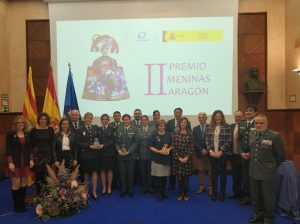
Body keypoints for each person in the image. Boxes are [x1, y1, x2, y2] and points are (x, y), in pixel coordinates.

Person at [248, 114, 285, 224]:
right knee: (255, 196)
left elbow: (280, 156)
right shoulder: (252, 134)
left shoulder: (274, 136)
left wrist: (271, 166)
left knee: (268, 197)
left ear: (266, 124)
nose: (258, 125)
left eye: (261, 123)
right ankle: (258, 214)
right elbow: (252, 150)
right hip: (253, 170)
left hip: (267, 172)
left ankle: (269, 217)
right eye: (256, 123)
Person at [6, 116, 34, 212]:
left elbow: (30, 149)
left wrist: (31, 160)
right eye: (18, 123)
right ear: (15, 124)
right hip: (15, 162)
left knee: (23, 183)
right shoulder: (10, 134)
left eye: (22, 122)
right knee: (16, 183)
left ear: (24, 124)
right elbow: (8, 149)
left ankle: (22, 203)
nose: (20, 124)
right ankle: (17, 205)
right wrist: (10, 163)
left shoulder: (27, 134)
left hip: (25, 162)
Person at [206, 110, 232, 201]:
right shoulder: (209, 127)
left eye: (219, 116)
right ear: (214, 117)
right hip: (212, 154)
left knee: (222, 173)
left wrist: (221, 151)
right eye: (216, 116)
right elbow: (207, 140)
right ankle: (214, 193)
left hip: (223, 154)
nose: (218, 118)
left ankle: (222, 193)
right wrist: (211, 151)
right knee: (213, 173)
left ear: (222, 117)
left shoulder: (227, 126)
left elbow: (229, 140)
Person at [166, 107, 191, 191]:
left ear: (181, 113)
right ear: (174, 114)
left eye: (179, 112)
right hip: (172, 149)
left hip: (184, 150)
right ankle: (172, 184)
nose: (178, 114)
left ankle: (184, 187)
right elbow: (167, 135)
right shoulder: (169, 122)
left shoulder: (188, 123)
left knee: (184, 171)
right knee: (173, 168)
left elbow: (189, 134)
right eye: (176, 112)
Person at [78, 112, 101, 200]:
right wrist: (89, 146)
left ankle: (94, 191)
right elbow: (79, 143)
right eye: (87, 118)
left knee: (94, 173)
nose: (89, 119)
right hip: (85, 155)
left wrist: (99, 144)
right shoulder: (80, 129)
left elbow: (99, 138)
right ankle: (86, 191)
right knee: (86, 174)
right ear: (84, 119)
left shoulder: (95, 127)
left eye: (90, 118)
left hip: (95, 154)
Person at [30, 112, 54, 196]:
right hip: (37, 156)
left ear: (47, 120)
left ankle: (47, 194)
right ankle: (39, 194)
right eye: (41, 119)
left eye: (45, 119)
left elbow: (52, 143)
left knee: (47, 175)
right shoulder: (33, 130)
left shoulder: (51, 130)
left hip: (48, 156)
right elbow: (31, 144)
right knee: (38, 175)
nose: (43, 120)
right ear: (39, 120)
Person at [171, 117, 194, 201]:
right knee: (179, 178)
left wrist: (186, 157)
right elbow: (173, 147)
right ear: (179, 124)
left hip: (187, 159)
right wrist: (179, 158)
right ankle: (180, 193)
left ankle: (185, 193)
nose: (183, 124)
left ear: (187, 124)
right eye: (182, 122)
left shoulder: (190, 134)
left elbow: (191, 147)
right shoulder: (175, 133)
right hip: (178, 160)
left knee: (186, 178)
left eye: (185, 122)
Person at [115, 114, 138, 197]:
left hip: (130, 156)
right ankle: (123, 189)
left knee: (130, 173)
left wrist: (129, 151)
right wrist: (118, 150)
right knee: (122, 173)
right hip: (120, 156)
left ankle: (130, 189)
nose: (126, 121)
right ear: (122, 120)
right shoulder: (119, 129)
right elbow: (116, 142)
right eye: (124, 119)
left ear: (130, 120)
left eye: (127, 119)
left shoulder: (134, 129)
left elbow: (136, 142)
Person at [238, 105, 257, 205]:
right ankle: (247, 196)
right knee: (245, 176)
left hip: (254, 155)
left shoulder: (258, 123)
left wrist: (250, 153)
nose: (248, 112)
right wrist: (241, 152)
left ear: (255, 112)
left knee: (253, 177)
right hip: (243, 155)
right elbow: (239, 140)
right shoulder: (242, 123)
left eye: (250, 110)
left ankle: (255, 198)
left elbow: (258, 140)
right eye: (246, 111)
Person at [149, 119, 172, 201]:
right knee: (158, 178)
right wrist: (159, 152)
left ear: (165, 126)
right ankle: (158, 193)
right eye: (160, 125)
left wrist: (168, 150)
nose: (162, 127)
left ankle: (163, 192)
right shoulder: (153, 135)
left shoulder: (169, 134)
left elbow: (172, 145)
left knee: (164, 177)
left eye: (163, 125)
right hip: (156, 159)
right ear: (157, 127)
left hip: (165, 159)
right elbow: (150, 146)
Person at [193, 112, 212, 196]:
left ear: (206, 118)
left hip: (209, 153)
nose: (201, 119)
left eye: (202, 117)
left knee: (210, 171)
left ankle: (211, 187)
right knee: (200, 170)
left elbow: (213, 140)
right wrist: (201, 149)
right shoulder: (195, 128)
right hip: (199, 153)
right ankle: (201, 186)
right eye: (199, 117)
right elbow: (194, 141)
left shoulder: (211, 127)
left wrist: (207, 150)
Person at [98, 114, 116, 195]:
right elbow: (96, 139)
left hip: (109, 153)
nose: (104, 121)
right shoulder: (98, 129)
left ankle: (109, 187)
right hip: (100, 153)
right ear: (101, 120)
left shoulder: (112, 129)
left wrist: (104, 145)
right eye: (103, 119)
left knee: (109, 170)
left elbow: (113, 140)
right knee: (102, 171)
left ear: (108, 120)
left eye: (106, 119)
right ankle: (104, 187)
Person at [136, 115, 155, 193]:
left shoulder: (153, 129)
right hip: (141, 154)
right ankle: (144, 186)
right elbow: (137, 143)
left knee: (150, 171)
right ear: (141, 121)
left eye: (145, 120)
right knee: (143, 171)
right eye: (142, 120)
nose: (144, 121)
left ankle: (150, 186)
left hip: (151, 153)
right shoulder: (137, 129)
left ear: (148, 121)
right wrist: (137, 154)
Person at [229, 110, 244, 199]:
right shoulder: (231, 126)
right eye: (236, 117)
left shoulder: (247, 127)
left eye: (240, 116)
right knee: (235, 175)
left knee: (243, 176)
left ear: (243, 117)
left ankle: (244, 195)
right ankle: (236, 193)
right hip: (233, 155)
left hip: (243, 156)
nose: (238, 118)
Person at [109, 111, 123, 189]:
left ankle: (121, 183)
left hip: (122, 150)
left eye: (118, 116)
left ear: (120, 117)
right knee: (113, 167)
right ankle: (113, 183)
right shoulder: (110, 125)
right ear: (113, 117)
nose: (117, 117)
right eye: (115, 116)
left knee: (121, 168)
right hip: (112, 150)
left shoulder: (123, 124)